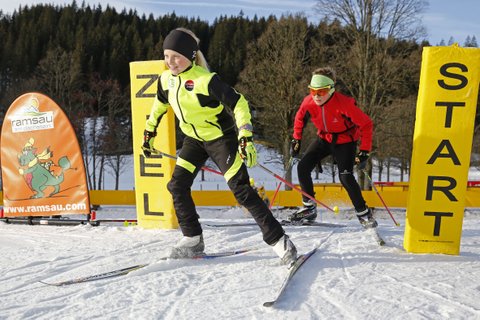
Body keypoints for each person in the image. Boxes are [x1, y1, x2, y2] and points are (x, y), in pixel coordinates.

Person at [142, 28, 297, 264]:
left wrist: (245, 135)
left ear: (191, 55)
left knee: (242, 190)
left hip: (219, 140)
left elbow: (239, 103)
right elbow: (159, 106)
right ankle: (192, 239)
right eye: (166, 56)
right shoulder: (165, 81)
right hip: (194, 141)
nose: (170, 62)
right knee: (177, 185)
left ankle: (280, 242)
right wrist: (149, 132)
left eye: (176, 56)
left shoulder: (205, 80)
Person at [289, 67, 377, 229]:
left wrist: (364, 151)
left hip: (346, 140)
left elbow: (366, 124)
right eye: (312, 90)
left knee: (346, 177)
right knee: (303, 167)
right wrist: (296, 138)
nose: (316, 96)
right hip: (324, 138)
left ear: (331, 90)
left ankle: (364, 214)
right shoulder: (308, 101)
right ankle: (309, 208)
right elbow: (300, 117)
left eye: (321, 92)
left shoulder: (344, 104)